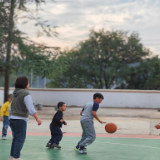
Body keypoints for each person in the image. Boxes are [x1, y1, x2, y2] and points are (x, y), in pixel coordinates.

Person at [8, 77, 42, 160]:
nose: (29, 84)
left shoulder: (15, 93)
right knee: (20, 139)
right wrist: (37, 118)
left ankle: (12, 156)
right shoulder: (25, 94)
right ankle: (16, 157)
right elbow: (30, 108)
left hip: (11, 118)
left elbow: (10, 107)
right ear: (25, 84)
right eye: (28, 82)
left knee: (16, 138)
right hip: (20, 119)